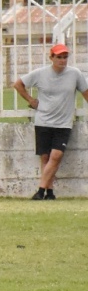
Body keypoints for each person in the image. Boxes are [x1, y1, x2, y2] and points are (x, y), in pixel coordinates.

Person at [13, 43, 88, 200]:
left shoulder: (75, 74)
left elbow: (85, 92)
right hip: (43, 121)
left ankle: (40, 190)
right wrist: (31, 100)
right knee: (45, 157)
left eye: (65, 57)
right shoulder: (41, 73)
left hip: (63, 123)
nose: (62, 60)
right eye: (59, 57)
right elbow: (18, 84)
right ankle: (50, 192)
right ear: (51, 58)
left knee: (56, 156)